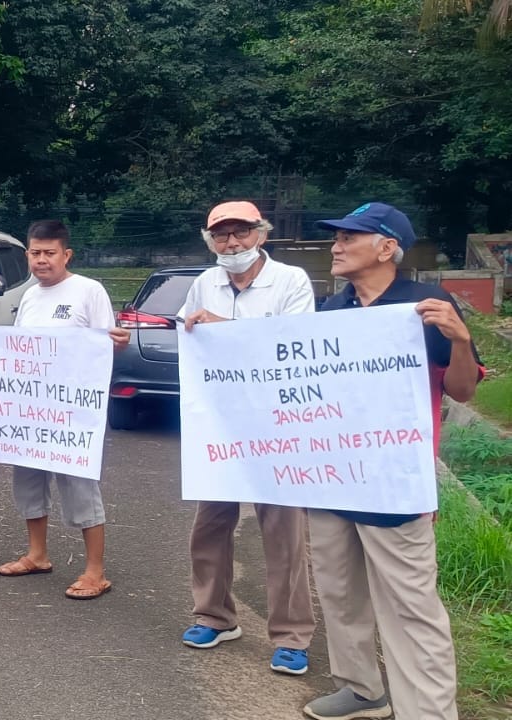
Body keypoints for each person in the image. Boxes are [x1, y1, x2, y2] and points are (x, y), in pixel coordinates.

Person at [300, 203, 481, 720]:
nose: (335, 245)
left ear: (386, 248)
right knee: (338, 591)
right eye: (335, 238)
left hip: (395, 482)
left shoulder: (426, 306)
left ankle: (428, 711)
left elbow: (463, 391)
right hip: (332, 477)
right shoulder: (333, 311)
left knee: (410, 606)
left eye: (349, 237)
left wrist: (461, 341)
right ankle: (362, 689)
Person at [178, 201, 318, 676]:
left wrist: (227, 331)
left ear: (262, 234)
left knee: (283, 532)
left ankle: (292, 636)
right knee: (210, 526)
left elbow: (293, 346)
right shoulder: (205, 283)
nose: (231, 244)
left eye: (240, 233)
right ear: (210, 240)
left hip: (277, 425)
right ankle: (214, 617)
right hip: (219, 426)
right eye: (221, 236)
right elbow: (189, 337)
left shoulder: (291, 280)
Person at [0, 220, 130, 599]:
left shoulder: (89, 290)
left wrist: (117, 343)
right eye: (35, 253)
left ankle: (95, 571)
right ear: (27, 255)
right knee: (28, 481)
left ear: (66, 254)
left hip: (73, 413)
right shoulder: (29, 296)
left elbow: (108, 345)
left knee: (80, 486)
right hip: (31, 411)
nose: (41, 260)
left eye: (49, 253)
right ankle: (37, 554)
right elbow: (18, 350)